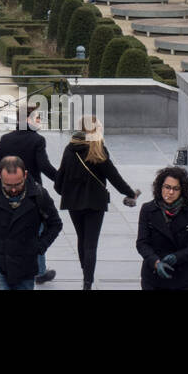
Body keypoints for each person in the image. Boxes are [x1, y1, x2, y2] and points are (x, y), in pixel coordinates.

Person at [54, 116, 140, 289]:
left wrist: (68, 192)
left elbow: (59, 181)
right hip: (95, 202)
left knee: (81, 238)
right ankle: (87, 282)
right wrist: (130, 193)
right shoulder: (98, 149)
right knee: (91, 243)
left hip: (73, 202)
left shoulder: (70, 149)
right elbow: (114, 177)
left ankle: (86, 272)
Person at [0, 155, 64, 290]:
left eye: (17, 184)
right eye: (8, 185)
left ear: (25, 175)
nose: (13, 189)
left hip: (26, 264)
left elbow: (55, 224)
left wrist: (40, 247)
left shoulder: (39, 195)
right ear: (0, 177)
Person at [0, 103, 59, 284]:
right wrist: (61, 180)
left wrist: (0, 186)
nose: (39, 121)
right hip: (31, 192)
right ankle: (39, 271)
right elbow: (44, 166)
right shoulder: (37, 140)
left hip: (7, 190)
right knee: (36, 231)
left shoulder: (6, 139)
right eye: (37, 118)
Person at [136, 166, 188, 290]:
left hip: (183, 278)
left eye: (176, 189)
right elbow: (142, 243)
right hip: (154, 279)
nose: (171, 192)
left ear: (182, 190)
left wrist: (177, 257)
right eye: (167, 187)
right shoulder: (147, 209)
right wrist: (156, 262)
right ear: (160, 187)